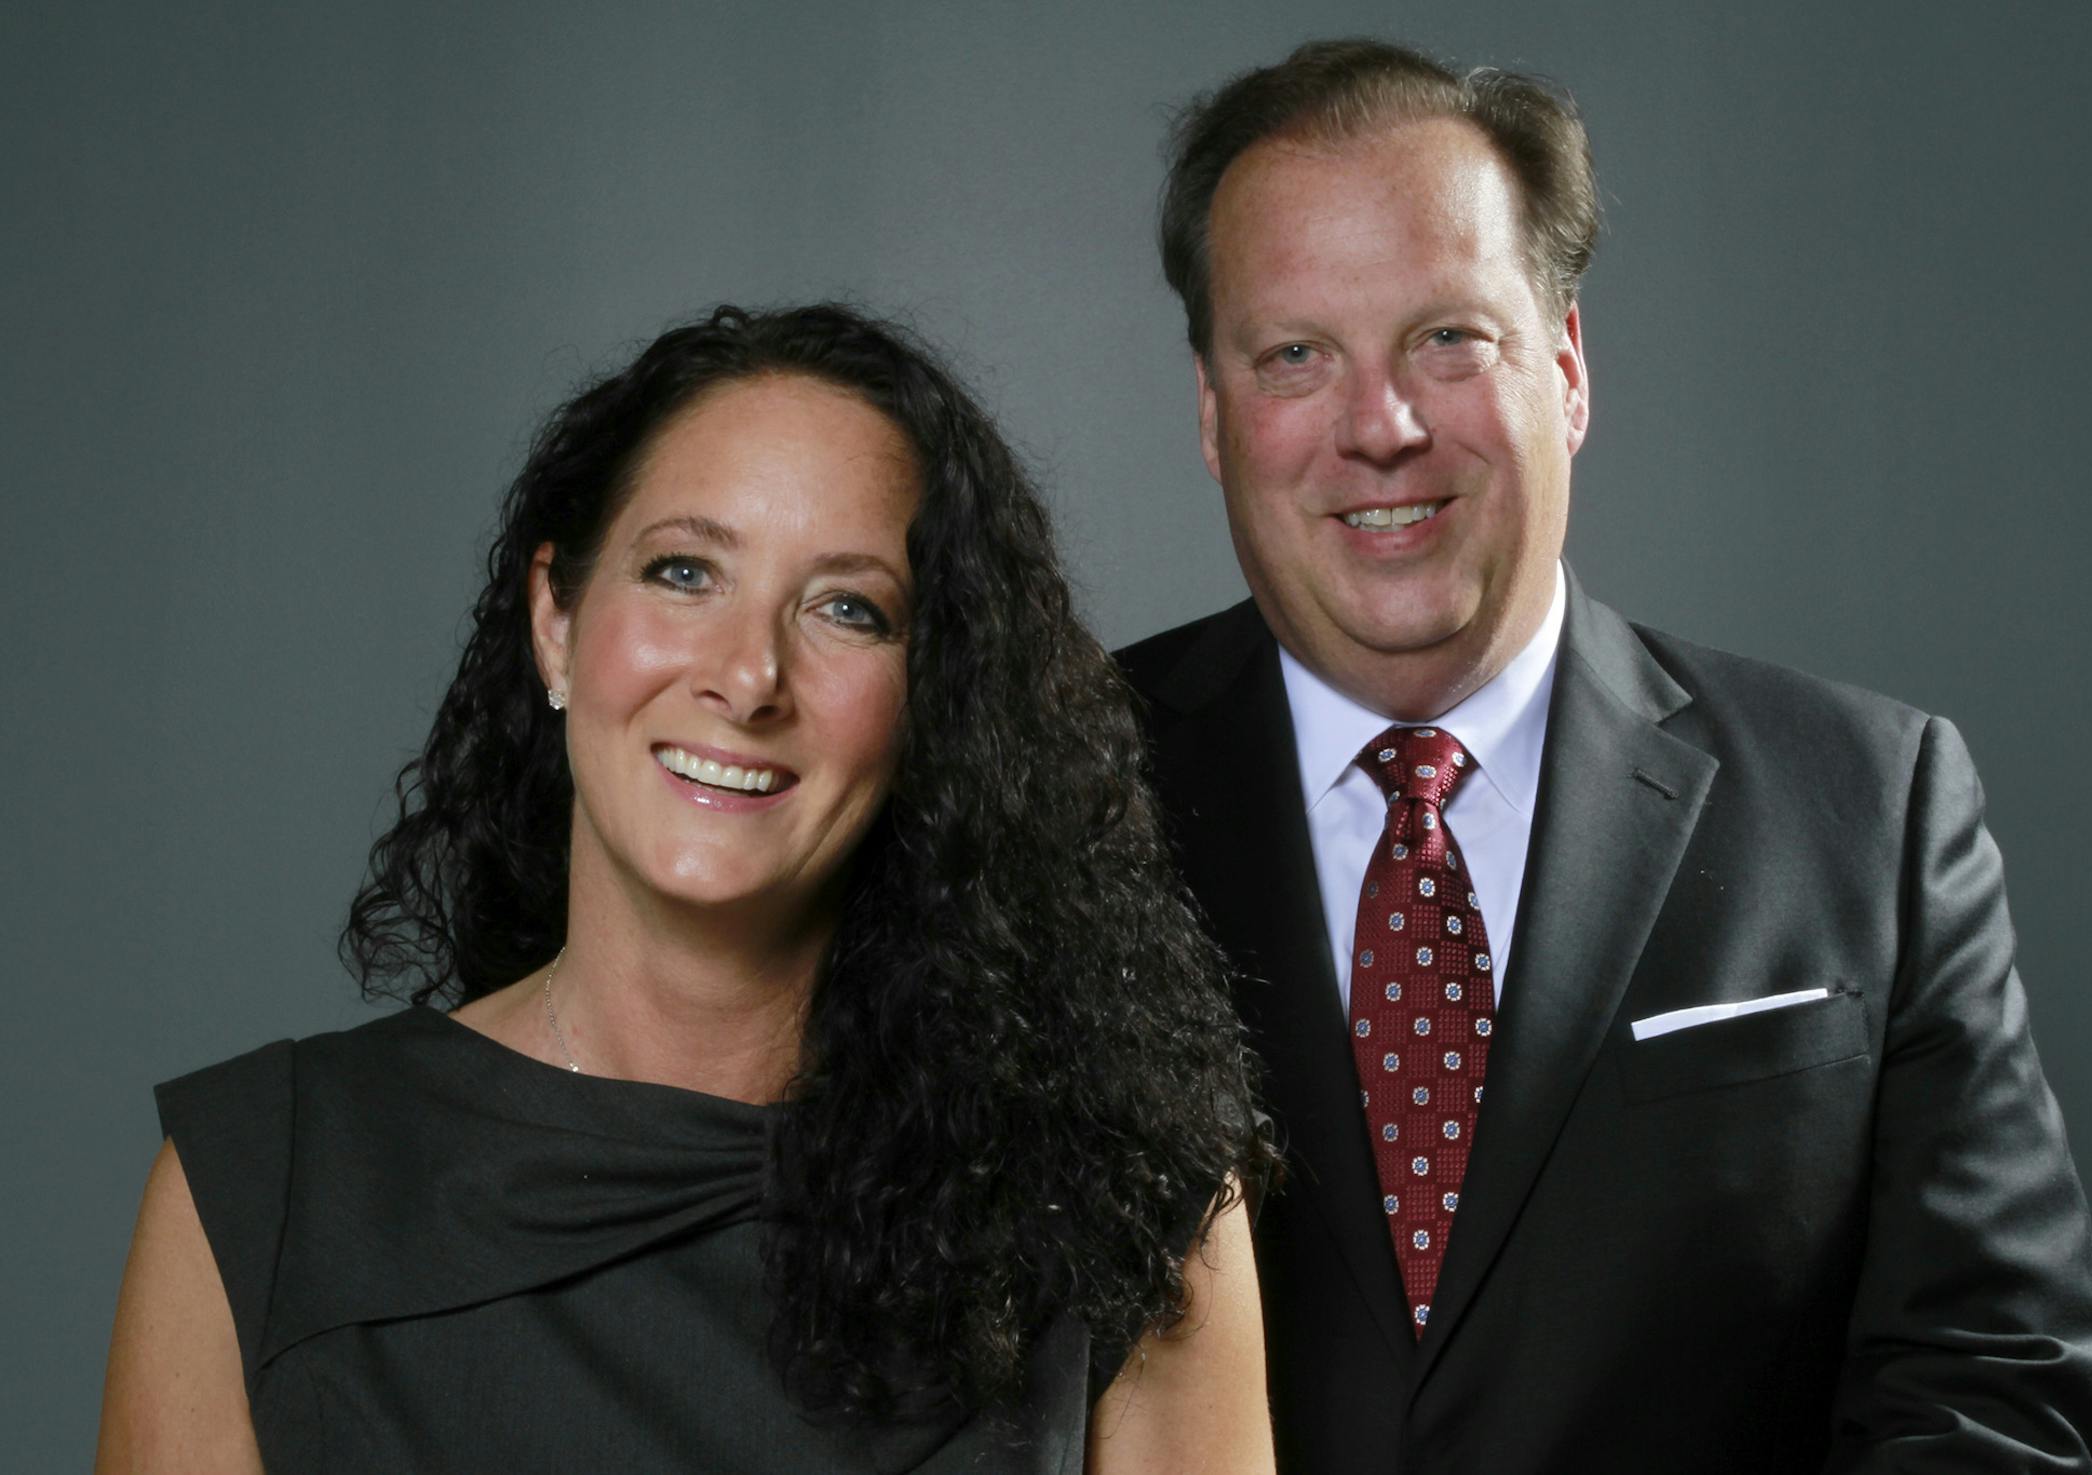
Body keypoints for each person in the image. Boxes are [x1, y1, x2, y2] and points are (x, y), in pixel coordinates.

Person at [1118, 39, 2092, 1473]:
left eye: (1448, 337)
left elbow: (1995, 1389)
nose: (1381, 427)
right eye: (1296, 355)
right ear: (1215, 417)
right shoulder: (1050, 794)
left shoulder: (1870, 809)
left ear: (1569, 369)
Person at [96, 303, 1276, 1474]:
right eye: (684, 571)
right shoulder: (264, 1187)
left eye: (847, 608)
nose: (749, 675)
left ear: (934, 704)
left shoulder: (1131, 1215)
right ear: (556, 621)